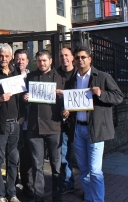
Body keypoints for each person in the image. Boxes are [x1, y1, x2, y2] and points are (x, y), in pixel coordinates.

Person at [63, 46, 123, 202]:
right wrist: (67, 110)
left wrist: (102, 93)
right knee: (83, 170)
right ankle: (89, 198)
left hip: (95, 130)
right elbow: (72, 102)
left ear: (90, 59)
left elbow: (118, 97)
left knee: (95, 171)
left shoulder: (102, 77)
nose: (80, 60)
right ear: (74, 60)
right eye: (77, 57)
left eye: (83, 57)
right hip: (78, 129)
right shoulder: (72, 80)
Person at [23, 49, 64, 202]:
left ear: (50, 61)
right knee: (37, 166)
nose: (41, 63)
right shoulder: (30, 77)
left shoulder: (59, 78)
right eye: (39, 61)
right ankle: (39, 197)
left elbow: (66, 102)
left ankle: (57, 197)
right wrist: (25, 97)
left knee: (56, 167)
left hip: (54, 127)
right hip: (34, 128)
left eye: (44, 60)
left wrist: (63, 102)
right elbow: (21, 98)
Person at [0, 44, 21, 202]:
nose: (3, 59)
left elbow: (22, 97)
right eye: (1, 56)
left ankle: (12, 192)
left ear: (11, 57)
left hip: (15, 123)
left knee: (13, 159)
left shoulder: (17, 73)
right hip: (0, 123)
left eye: (6, 56)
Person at [56, 48, 76, 194]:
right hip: (60, 121)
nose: (64, 58)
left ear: (72, 57)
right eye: (61, 56)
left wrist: (71, 107)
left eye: (66, 55)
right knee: (64, 154)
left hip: (78, 120)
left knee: (82, 157)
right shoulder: (55, 74)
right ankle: (67, 183)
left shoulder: (79, 74)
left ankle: (88, 186)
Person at [14, 49, 33, 198]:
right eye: (18, 59)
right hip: (13, 122)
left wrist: (24, 117)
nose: (20, 61)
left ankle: (28, 186)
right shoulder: (10, 76)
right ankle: (11, 186)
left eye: (23, 59)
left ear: (27, 61)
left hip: (27, 124)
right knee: (13, 156)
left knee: (27, 157)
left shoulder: (32, 78)